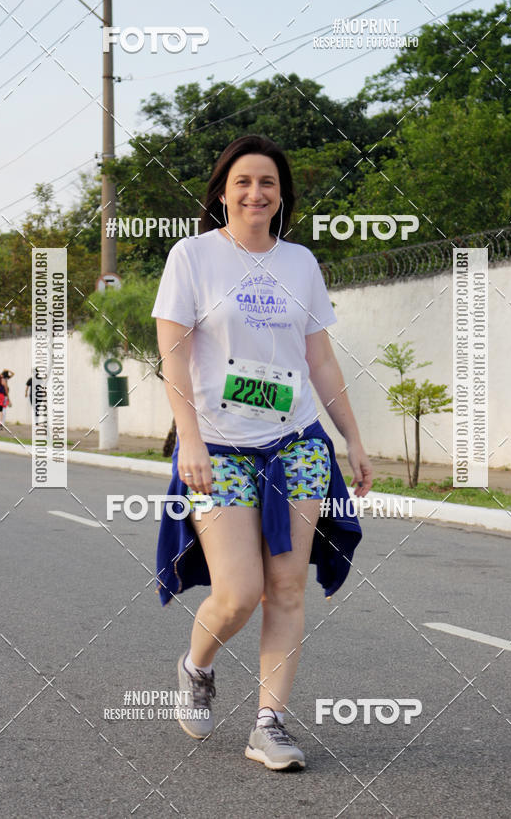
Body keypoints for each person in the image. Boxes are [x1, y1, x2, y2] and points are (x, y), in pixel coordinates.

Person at [152, 135, 373, 771]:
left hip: (298, 441)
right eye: (243, 181)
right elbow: (173, 355)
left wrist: (352, 438)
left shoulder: (300, 263)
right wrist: (187, 436)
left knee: (287, 588)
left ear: (282, 196)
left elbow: (320, 359)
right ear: (222, 190)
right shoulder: (192, 257)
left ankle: (269, 724)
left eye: (268, 183)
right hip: (220, 446)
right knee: (240, 591)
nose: (256, 193)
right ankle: (197, 666)